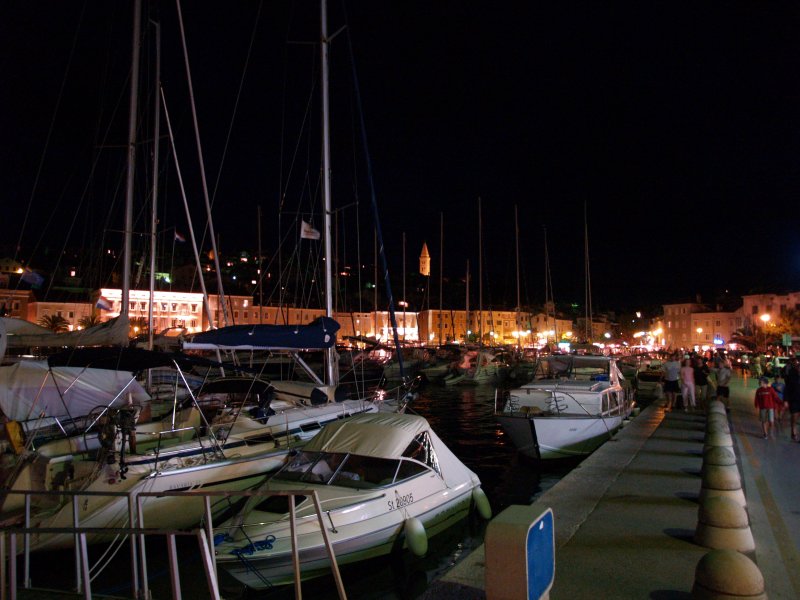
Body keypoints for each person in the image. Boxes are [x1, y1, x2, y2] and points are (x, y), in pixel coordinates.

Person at [784, 357, 800, 441]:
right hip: (794, 399)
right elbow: (787, 388)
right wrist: (786, 400)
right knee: (794, 416)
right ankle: (793, 432)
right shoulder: (792, 374)